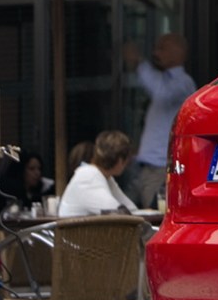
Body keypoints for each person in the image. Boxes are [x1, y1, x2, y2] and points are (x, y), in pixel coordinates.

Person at [122, 32, 195, 209]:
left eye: (162, 48)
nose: (155, 53)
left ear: (177, 52)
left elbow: (161, 94)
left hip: (159, 169)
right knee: (123, 213)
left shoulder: (183, 83)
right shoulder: (163, 80)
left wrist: (140, 64)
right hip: (142, 167)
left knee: (154, 217)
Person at [58, 129, 136, 217]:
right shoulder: (88, 177)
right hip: (75, 226)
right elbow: (119, 213)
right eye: (128, 159)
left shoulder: (105, 176)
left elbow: (132, 209)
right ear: (120, 160)